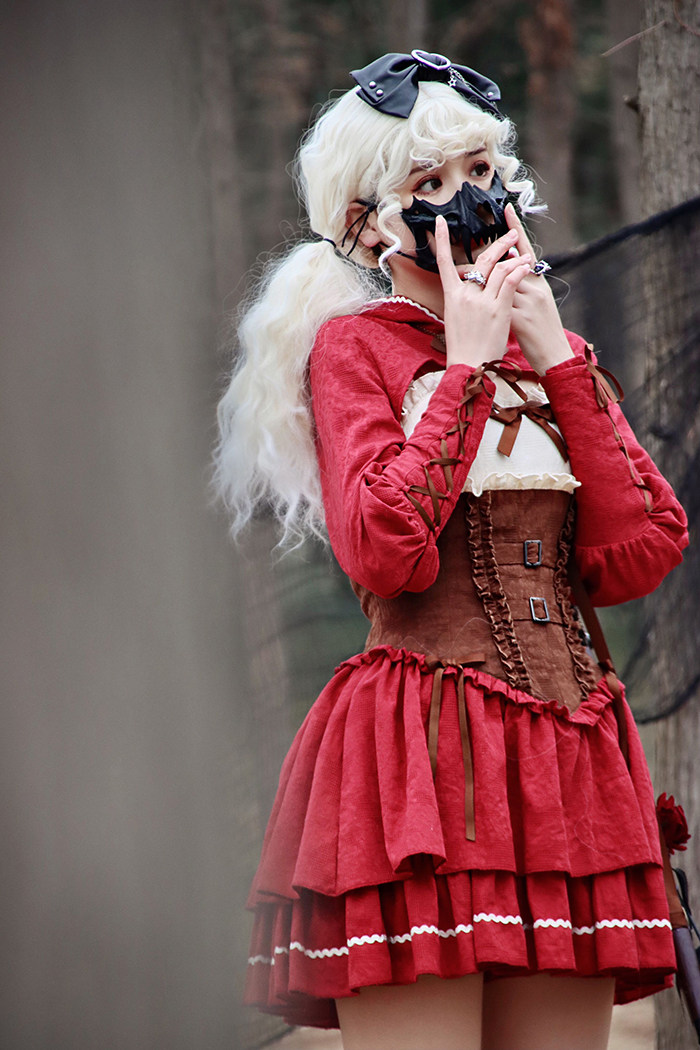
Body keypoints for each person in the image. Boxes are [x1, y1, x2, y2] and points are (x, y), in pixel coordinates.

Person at [215, 50, 689, 1050]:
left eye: (478, 171)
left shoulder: (551, 357)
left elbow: (642, 552)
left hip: (569, 763)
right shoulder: (355, 348)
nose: (467, 200)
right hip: (422, 761)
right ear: (369, 226)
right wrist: (466, 368)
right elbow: (385, 554)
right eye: (428, 183)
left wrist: (554, 356)